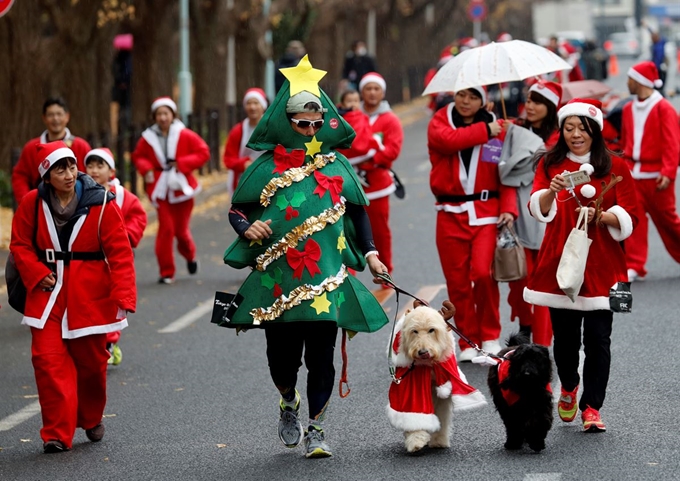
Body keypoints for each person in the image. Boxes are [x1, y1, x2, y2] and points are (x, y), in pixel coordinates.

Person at [222, 55, 389, 458]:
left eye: (317, 124)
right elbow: (236, 209)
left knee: (321, 357)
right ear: (287, 122)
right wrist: (247, 228)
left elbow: (358, 212)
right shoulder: (265, 167)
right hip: (277, 282)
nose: (311, 130)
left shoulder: (337, 165)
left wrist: (371, 255)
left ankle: (317, 428)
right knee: (282, 362)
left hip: (325, 280)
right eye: (302, 123)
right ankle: (287, 401)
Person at [9, 141, 136, 453]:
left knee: (92, 364)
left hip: (89, 296)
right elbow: (20, 244)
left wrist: (124, 295)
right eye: (59, 169)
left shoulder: (101, 202)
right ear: (46, 175)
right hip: (47, 296)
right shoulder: (31, 203)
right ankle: (56, 433)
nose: (68, 174)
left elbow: (119, 251)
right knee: (47, 361)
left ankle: (90, 417)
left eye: (70, 166)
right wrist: (37, 272)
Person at [524, 98, 637, 432]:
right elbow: (537, 208)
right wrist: (550, 191)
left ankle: (592, 407)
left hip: (608, 265)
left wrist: (603, 217)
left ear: (596, 130)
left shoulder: (617, 165)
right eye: (569, 128)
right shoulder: (550, 164)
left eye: (583, 128)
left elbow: (632, 215)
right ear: (561, 131)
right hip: (562, 261)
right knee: (567, 337)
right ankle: (570, 386)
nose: (576, 134)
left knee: (601, 339)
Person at [427, 86, 517, 361]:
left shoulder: (497, 128)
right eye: (462, 95)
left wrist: (509, 208)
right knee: (457, 282)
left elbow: (507, 172)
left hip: (486, 211)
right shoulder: (440, 121)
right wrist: (485, 131)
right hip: (449, 212)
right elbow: (448, 141)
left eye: (474, 96)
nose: (466, 101)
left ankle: (490, 335)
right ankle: (467, 341)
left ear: (484, 100)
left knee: (483, 274)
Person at [499, 81, 563, 347]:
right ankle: (525, 326)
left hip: (549, 211)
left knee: (546, 279)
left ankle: (544, 340)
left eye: (537, 102)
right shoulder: (514, 130)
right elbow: (505, 176)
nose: (531, 106)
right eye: (528, 100)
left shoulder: (560, 136)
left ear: (550, 107)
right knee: (520, 276)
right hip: (518, 211)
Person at [132, 97, 210, 284]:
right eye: (159, 114)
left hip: (182, 187)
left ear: (173, 115)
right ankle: (166, 271)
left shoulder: (184, 134)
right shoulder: (148, 137)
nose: (163, 117)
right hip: (161, 188)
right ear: (154, 117)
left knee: (181, 231)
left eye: (166, 113)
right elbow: (138, 156)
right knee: (166, 229)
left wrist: (181, 163)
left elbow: (203, 152)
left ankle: (190, 256)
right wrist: (147, 168)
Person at [85, 147, 147, 365]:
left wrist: (125, 237)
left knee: (115, 299)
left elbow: (138, 216)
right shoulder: (80, 193)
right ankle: (96, 340)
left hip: (116, 260)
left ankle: (110, 342)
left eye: (99, 166)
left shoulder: (122, 196)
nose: (94, 171)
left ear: (111, 171)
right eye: (90, 166)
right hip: (89, 259)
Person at [619, 61, 680, 282]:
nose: (627, 82)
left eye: (630, 78)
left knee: (668, 221)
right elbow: (625, 142)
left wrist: (668, 171)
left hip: (657, 176)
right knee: (634, 220)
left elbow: (673, 143)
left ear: (640, 81)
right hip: (633, 174)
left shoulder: (664, 108)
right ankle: (634, 264)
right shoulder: (628, 108)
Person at [352, 72, 403, 275]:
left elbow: (393, 149)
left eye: (376, 89)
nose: (372, 93)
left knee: (380, 230)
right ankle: (349, 275)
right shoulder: (353, 116)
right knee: (349, 229)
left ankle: (384, 270)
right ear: (361, 92)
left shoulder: (390, 119)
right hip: (352, 183)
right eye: (368, 88)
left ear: (382, 92)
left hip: (378, 184)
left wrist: (369, 160)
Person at [12, 97, 91, 206]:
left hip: (76, 207)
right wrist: (27, 201)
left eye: (59, 114)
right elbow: (20, 177)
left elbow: (90, 177)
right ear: (44, 118)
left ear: (67, 117)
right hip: (38, 206)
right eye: (51, 115)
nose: (55, 118)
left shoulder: (81, 146)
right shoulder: (31, 147)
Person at [223, 88, 267, 194]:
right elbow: (228, 159)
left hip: (269, 179)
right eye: (249, 103)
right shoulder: (238, 131)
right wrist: (244, 164)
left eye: (256, 103)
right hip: (243, 181)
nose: (252, 107)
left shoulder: (273, 128)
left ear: (263, 106)